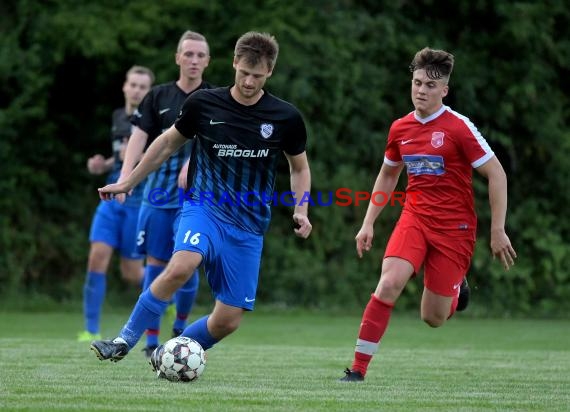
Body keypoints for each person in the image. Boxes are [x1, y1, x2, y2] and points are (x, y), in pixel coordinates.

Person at [90, 31, 312, 367]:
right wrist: (128, 181)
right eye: (244, 73)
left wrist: (302, 208)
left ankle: (171, 353)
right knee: (181, 265)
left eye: (258, 75)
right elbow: (165, 144)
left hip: (249, 224)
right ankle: (124, 339)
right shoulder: (205, 104)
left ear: (270, 71)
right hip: (203, 207)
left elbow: (299, 168)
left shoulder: (285, 117)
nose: (249, 82)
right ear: (234, 63)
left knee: (227, 320)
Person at [340, 47, 517, 382]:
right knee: (389, 282)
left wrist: (498, 230)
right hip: (415, 218)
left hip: (455, 228)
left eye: (430, 86)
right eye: (417, 82)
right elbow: (389, 174)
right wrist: (368, 223)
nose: (421, 90)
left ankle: (454, 291)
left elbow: (497, 175)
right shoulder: (400, 128)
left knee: (432, 317)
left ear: (444, 90)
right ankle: (357, 370)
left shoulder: (459, 128)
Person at [117, 30, 213, 357]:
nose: (194, 60)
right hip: (156, 196)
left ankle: (180, 329)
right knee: (156, 265)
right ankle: (151, 341)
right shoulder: (157, 96)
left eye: (201, 55)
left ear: (209, 61)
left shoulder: (216, 97)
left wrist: (193, 164)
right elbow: (138, 138)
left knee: (187, 267)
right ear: (177, 58)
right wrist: (125, 177)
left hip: (197, 199)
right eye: (189, 54)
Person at [78, 65, 155, 343]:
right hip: (111, 201)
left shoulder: (153, 120)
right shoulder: (118, 117)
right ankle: (90, 330)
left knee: (131, 273)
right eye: (132, 84)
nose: (136, 90)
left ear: (149, 92)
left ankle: (164, 296)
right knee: (96, 258)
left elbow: (160, 155)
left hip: (138, 204)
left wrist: (138, 153)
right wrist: (102, 165)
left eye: (142, 86)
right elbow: (120, 157)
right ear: (124, 86)